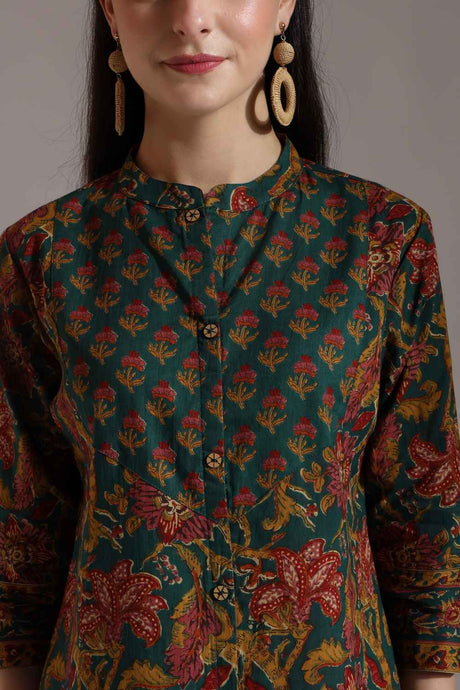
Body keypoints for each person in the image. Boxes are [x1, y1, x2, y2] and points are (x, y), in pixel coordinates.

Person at [0, 1, 458, 688]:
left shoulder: (383, 242)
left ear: (285, 6)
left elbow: (426, 534)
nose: (191, 16)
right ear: (111, 12)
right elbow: (19, 554)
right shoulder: (43, 258)